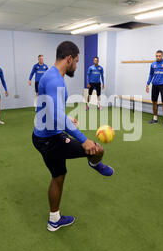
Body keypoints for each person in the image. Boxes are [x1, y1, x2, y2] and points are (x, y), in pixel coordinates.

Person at [32, 41, 114, 232]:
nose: (76, 66)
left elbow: (47, 109)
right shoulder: (55, 80)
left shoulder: (51, 75)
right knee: (97, 149)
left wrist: (66, 117)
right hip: (50, 140)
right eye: (76, 61)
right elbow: (57, 117)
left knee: (58, 175)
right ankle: (93, 162)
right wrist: (84, 140)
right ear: (68, 59)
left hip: (43, 136)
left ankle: (54, 220)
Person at [145, 50, 163, 128]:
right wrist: (148, 84)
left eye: (159, 56)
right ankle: (155, 119)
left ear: (162, 56)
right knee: (154, 102)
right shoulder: (153, 64)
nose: (158, 57)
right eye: (156, 56)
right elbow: (150, 74)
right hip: (154, 85)